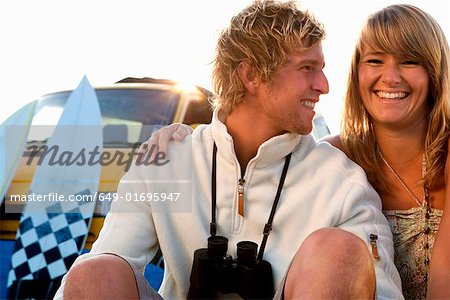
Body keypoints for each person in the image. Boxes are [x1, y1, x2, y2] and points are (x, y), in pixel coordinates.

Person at [55, 1, 403, 299]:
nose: (324, 86)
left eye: (321, 69)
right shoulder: (166, 161)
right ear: (251, 75)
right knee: (93, 272)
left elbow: (384, 293)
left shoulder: (342, 184)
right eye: (307, 68)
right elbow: (97, 277)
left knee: (337, 251)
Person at [147, 3, 450, 299]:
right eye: (374, 61)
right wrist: (193, 139)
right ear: (357, 72)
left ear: (436, 71)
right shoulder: (338, 157)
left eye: (410, 61)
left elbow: (444, 281)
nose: (391, 77)